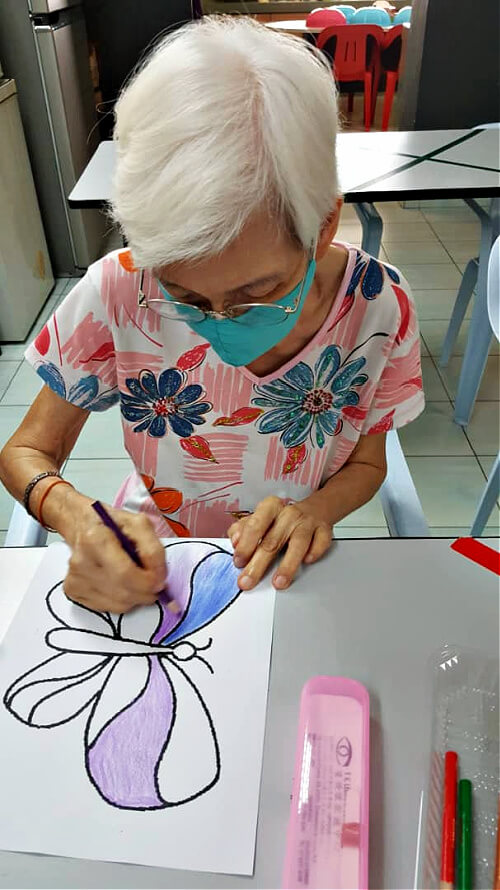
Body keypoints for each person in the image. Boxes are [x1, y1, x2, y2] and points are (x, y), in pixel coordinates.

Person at [0, 16, 424, 613]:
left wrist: (315, 510)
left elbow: (369, 462)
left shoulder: (379, 306)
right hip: (159, 563)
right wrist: (79, 520)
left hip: (290, 564)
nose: (221, 322)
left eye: (260, 290)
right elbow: (25, 452)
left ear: (324, 222)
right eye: (186, 297)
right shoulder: (122, 288)